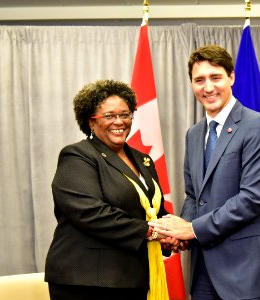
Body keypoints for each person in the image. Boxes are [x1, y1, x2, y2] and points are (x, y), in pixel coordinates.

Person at [149, 45, 260, 300]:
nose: (207, 88)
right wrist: (179, 232)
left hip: (246, 272)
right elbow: (193, 195)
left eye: (215, 77)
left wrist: (191, 229)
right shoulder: (195, 133)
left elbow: (252, 199)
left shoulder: (258, 127)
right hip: (203, 272)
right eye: (199, 80)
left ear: (231, 77)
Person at [45, 79, 175, 300]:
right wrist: (152, 232)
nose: (119, 122)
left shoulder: (143, 159)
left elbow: (154, 211)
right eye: (109, 116)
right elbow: (90, 213)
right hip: (87, 282)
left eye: (125, 114)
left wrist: (173, 232)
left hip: (134, 277)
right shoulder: (78, 156)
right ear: (90, 121)